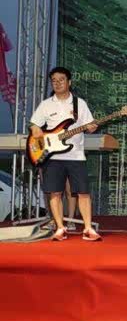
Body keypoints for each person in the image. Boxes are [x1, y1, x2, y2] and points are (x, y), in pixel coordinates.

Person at [29, 67, 101, 241]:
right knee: (55, 192)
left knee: (83, 192)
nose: (57, 83)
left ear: (69, 82)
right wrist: (35, 128)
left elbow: (89, 126)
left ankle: (88, 228)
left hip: (76, 156)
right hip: (52, 156)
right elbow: (34, 124)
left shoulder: (79, 104)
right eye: (54, 80)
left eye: (61, 79)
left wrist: (92, 127)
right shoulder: (46, 104)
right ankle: (60, 228)